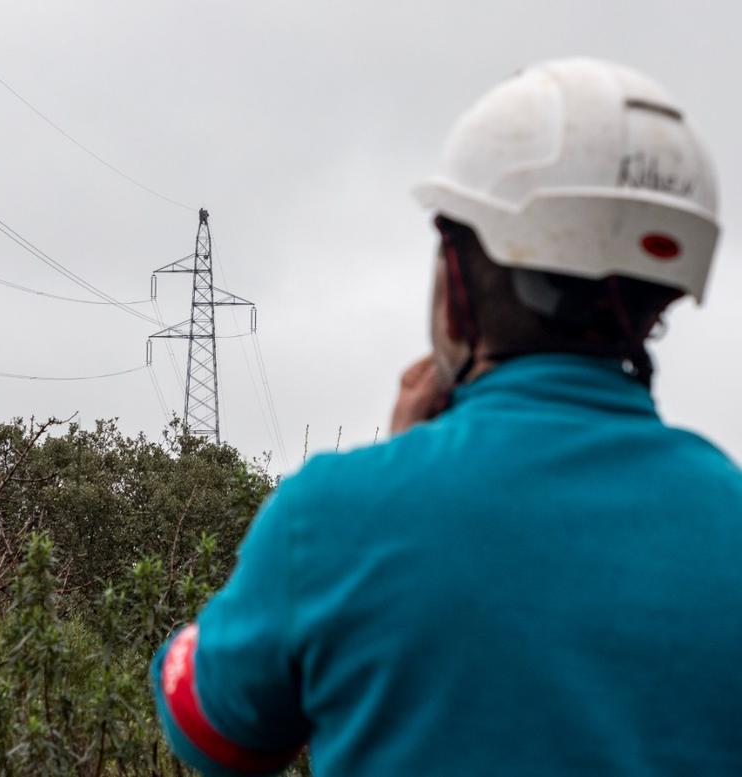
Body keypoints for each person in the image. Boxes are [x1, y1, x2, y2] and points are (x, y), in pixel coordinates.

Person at [151, 57, 742, 776]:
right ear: (659, 301)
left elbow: (214, 734)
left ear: (457, 282)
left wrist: (396, 478)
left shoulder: (332, 516)